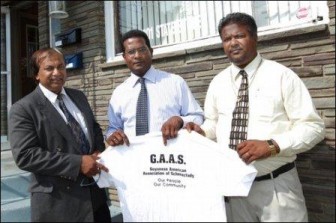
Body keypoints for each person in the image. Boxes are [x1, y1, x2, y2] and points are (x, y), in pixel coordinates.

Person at [185, 12, 325, 222]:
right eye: (226, 39)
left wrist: (271, 145)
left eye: (239, 36)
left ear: (255, 37)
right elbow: (214, 123)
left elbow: (313, 127)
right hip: (233, 190)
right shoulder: (218, 83)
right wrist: (202, 131)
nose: (233, 43)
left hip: (276, 188)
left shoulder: (281, 76)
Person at [9, 48, 111, 222]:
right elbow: (26, 155)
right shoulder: (23, 108)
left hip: (95, 198)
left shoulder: (78, 96)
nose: (57, 73)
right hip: (60, 204)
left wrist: (97, 152)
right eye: (49, 68)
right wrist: (78, 163)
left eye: (61, 67)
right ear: (37, 75)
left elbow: (94, 129)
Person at [105, 29, 204, 146]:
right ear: (124, 57)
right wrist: (112, 136)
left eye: (142, 50)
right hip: (132, 159)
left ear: (151, 52)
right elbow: (113, 128)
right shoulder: (119, 93)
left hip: (169, 158)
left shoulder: (175, 83)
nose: (137, 56)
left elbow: (198, 117)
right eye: (131, 52)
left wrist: (180, 120)